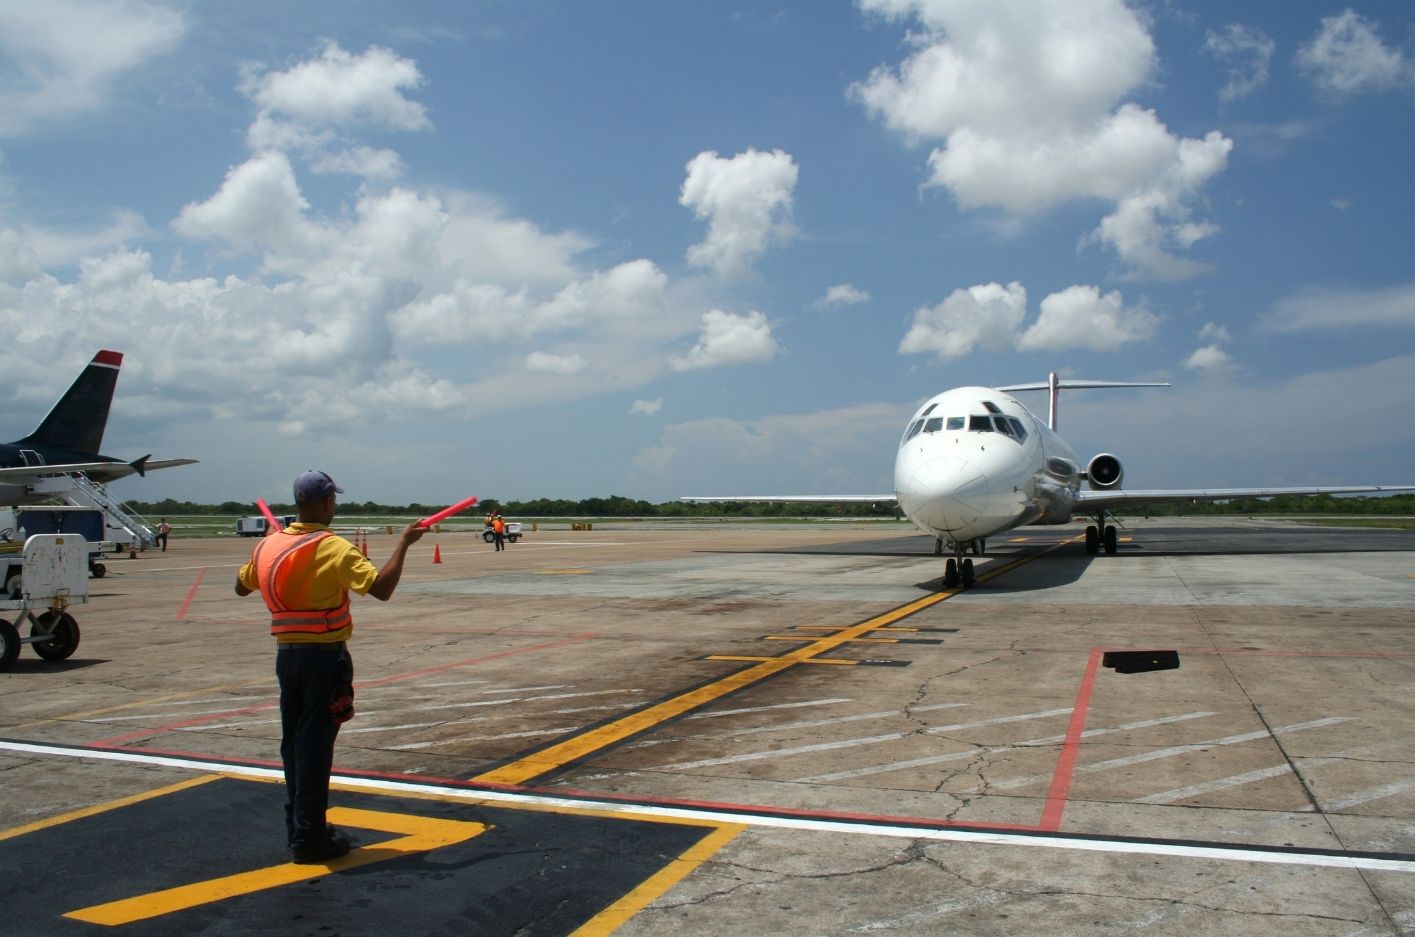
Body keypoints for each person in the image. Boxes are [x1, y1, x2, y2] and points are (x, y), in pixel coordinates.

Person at [235, 470, 426, 863]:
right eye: (333, 501)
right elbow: (382, 588)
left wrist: (271, 552)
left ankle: (301, 826)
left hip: (287, 657)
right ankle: (310, 837)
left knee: (294, 745)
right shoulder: (334, 548)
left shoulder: (269, 546)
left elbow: (242, 585)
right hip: (325, 656)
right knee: (316, 746)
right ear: (325, 503)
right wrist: (404, 544)